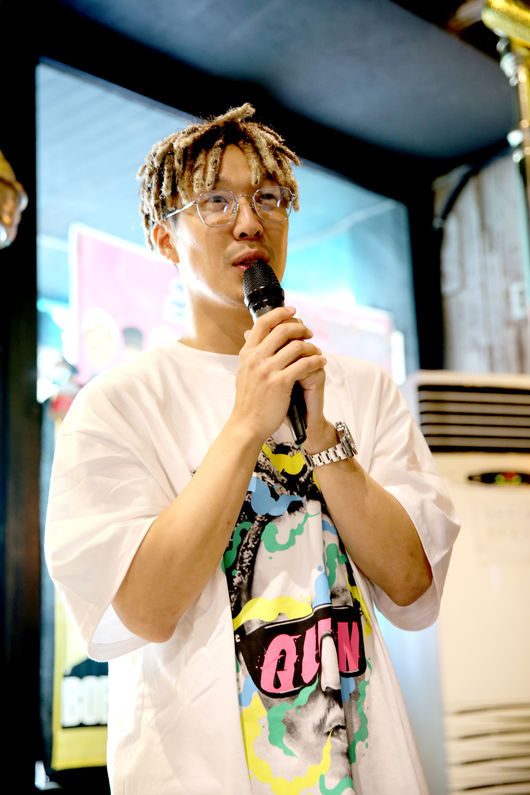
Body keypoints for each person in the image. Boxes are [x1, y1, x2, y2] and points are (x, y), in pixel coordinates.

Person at [45, 103, 460, 794]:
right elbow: (144, 608)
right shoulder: (117, 404)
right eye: (216, 201)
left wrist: (322, 437)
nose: (248, 222)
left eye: (267, 198)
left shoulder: (361, 387)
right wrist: (245, 425)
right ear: (165, 239)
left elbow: (412, 581)